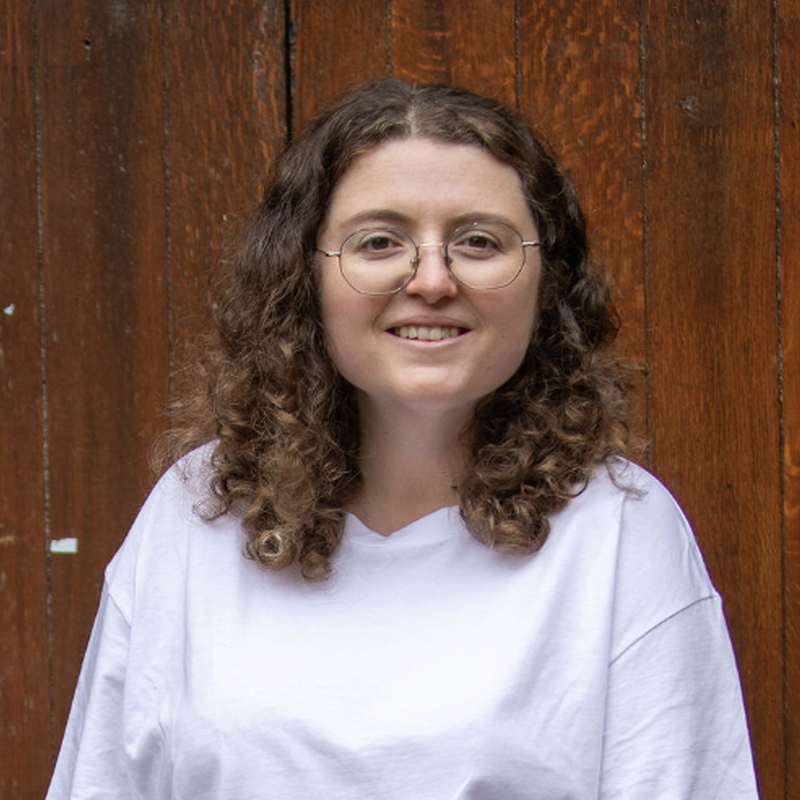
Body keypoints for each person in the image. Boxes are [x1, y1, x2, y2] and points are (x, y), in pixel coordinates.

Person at [46, 79, 758, 799]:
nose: (432, 279)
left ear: (547, 281)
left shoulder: (618, 534)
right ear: (304, 277)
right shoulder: (195, 513)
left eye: (479, 241)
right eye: (379, 241)